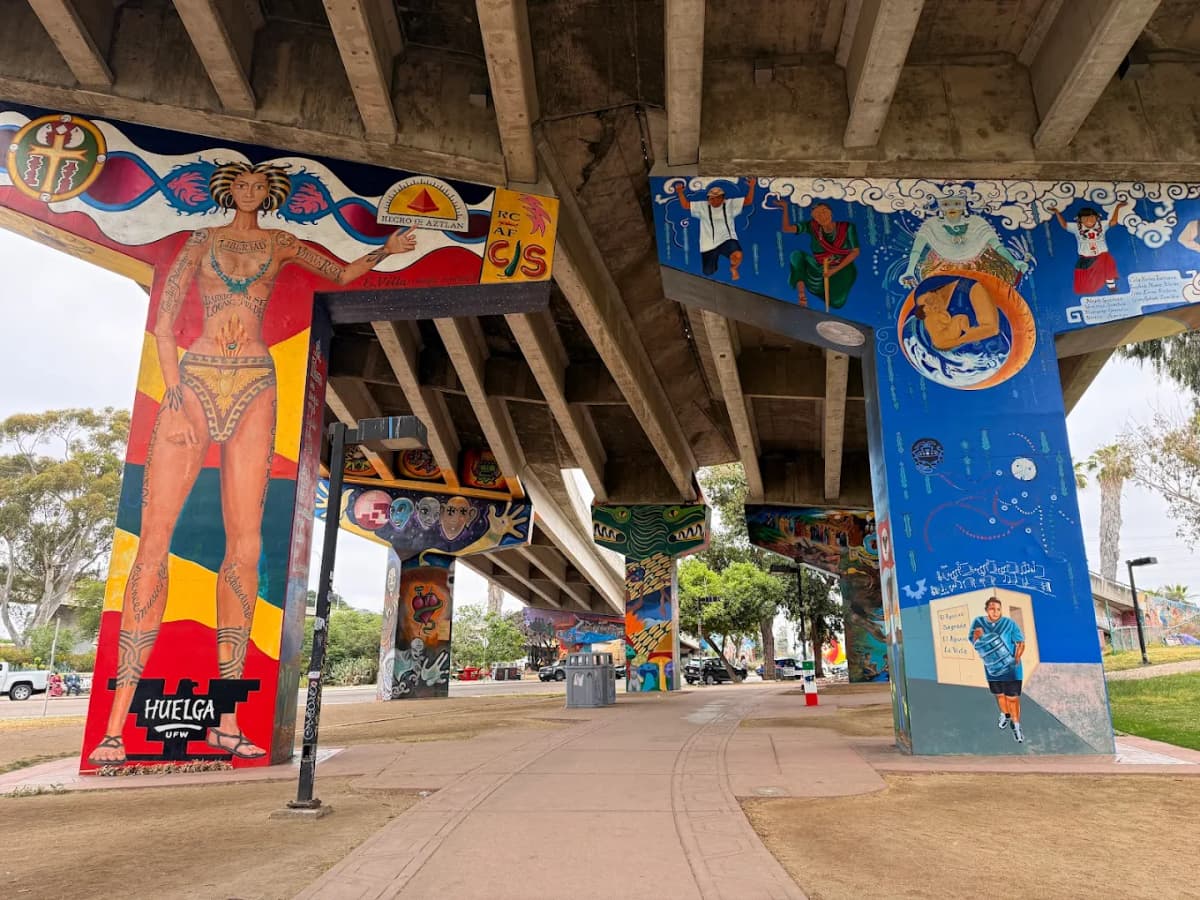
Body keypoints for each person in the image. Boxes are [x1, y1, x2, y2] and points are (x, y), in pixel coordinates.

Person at [87, 161, 418, 766]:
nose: (250, 191)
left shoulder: (282, 243)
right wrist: (176, 389)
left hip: (256, 384)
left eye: (261, 186)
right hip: (196, 379)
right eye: (242, 184)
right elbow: (166, 322)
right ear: (227, 189)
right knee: (153, 542)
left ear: (272, 196)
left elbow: (340, 272)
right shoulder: (201, 241)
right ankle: (114, 727)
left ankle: (228, 717)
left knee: (243, 548)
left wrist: (386, 249)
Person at [901, 193, 1027, 288]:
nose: (952, 207)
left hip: (981, 267)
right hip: (942, 269)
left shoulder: (977, 223)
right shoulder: (930, 226)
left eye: (957, 204)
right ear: (940, 208)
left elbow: (997, 246)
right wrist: (909, 271)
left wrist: (1014, 262)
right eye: (946, 204)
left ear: (963, 207)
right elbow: (916, 251)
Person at [772, 199, 860, 309]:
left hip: (842, 269)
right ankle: (802, 295)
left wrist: (833, 270)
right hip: (820, 268)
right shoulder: (813, 227)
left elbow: (855, 252)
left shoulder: (847, 227)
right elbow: (786, 229)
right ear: (815, 219)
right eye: (817, 215)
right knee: (796, 256)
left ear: (831, 212)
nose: (822, 216)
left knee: (837, 303)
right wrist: (785, 208)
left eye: (824, 212)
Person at [673, 179, 757, 280]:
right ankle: (713, 266)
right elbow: (686, 205)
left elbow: (748, 201)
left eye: (718, 198)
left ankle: (734, 268)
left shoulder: (730, 204)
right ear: (708, 199)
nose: (715, 201)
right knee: (708, 272)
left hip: (726, 239)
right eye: (712, 198)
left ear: (723, 198)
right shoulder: (702, 206)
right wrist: (680, 192)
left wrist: (752, 186)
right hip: (708, 244)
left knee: (737, 255)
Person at [969, 597, 1026, 744]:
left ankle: (1017, 725)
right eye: (992, 609)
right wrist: (976, 636)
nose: (995, 612)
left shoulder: (1009, 624)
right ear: (987, 610)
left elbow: (1020, 642)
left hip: (1011, 667)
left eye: (998, 609)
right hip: (992, 667)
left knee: (1012, 698)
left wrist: (1017, 657)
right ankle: (1005, 714)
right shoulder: (978, 622)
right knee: (1000, 696)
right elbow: (974, 642)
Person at [1047, 201, 1126, 294]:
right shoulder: (1076, 227)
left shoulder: (1102, 225)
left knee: (1109, 265)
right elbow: (1064, 225)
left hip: (1102, 255)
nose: (1089, 220)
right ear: (1080, 220)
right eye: (1085, 218)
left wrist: (1117, 207)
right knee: (1087, 280)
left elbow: (1113, 222)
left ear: (1097, 218)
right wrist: (1057, 212)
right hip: (1086, 258)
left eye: (1092, 217)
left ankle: (1111, 284)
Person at [913, 277, 1000, 350]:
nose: (929, 307)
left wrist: (959, 341)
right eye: (924, 307)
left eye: (929, 300)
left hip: (990, 351)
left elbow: (992, 328)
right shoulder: (933, 312)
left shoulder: (969, 287)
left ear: (936, 291)